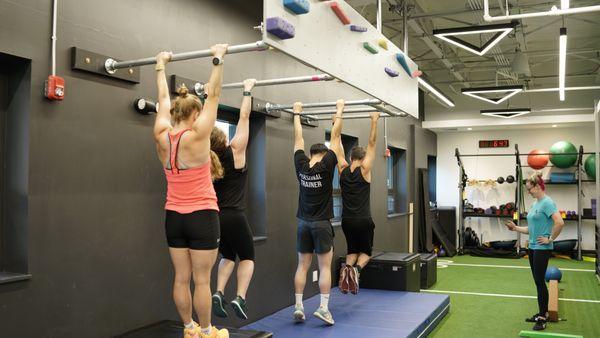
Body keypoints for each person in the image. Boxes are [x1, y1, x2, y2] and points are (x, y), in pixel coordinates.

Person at [153, 46, 230, 338]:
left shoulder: (162, 135)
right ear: (195, 112)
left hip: (174, 216)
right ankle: (208, 331)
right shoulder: (198, 137)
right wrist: (217, 58)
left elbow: (162, 99)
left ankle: (189, 329)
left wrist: (160, 66)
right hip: (202, 216)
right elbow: (216, 95)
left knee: (181, 278)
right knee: (202, 280)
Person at [292, 100, 346, 325]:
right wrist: (339, 110)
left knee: (302, 266)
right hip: (322, 223)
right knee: (324, 267)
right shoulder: (326, 166)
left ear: (311, 154)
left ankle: (298, 306)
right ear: (324, 155)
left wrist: (297, 113)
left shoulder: (301, 165)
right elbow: (335, 137)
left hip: (303, 223)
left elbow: (298, 139)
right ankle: (323, 308)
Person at [210, 79, 257, 320]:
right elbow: (245, 117)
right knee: (247, 257)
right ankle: (240, 297)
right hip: (235, 215)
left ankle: (218, 292)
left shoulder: (208, 161)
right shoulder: (235, 151)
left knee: (227, 256)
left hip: (216, 217)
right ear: (224, 140)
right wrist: (247, 89)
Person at [505, 172, 564, 331]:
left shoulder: (547, 203)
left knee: (539, 282)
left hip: (542, 248)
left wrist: (550, 239)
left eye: (530, 189)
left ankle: (543, 317)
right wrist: (515, 228)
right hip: (532, 247)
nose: (528, 192)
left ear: (538, 186)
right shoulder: (534, 204)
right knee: (537, 282)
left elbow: (559, 222)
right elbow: (531, 229)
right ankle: (540, 313)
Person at [337, 111, 380, 295]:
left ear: (351, 157)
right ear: (362, 159)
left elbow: (337, 147)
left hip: (346, 220)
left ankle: (347, 269)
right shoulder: (365, 170)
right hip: (363, 219)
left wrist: (336, 125)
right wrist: (374, 120)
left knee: (352, 251)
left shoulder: (342, 170)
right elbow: (372, 143)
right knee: (366, 253)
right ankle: (356, 271)